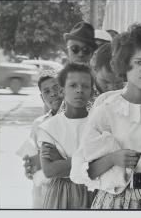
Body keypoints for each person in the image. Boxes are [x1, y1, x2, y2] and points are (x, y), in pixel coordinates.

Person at [70, 24, 141, 209]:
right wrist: (112, 159)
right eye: (138, 62)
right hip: (115, 203)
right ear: (124, 64)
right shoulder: (107, 110)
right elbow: (78, 171)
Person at [37, 63, 94, 209]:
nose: (79, 90)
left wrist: (63, 161)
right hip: (62, 195)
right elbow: (50, 171)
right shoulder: (48, 127)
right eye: (73, 85)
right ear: (62, 90)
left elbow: (106, 164)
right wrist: (90, 161)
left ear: (92, 92)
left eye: (85, 86)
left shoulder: (99, 123)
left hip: (95, 191)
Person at [20, 70, 64, 208]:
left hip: (68, 191)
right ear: (42, 97)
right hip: (42, 195)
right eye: (47, 91)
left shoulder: (76, 120)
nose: (53, 93)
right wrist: (30, 169)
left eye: (56, 88)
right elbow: (32, 158)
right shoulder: (38, 124)